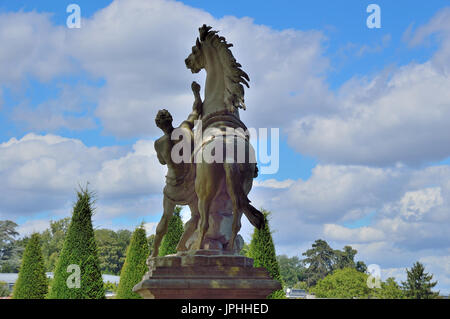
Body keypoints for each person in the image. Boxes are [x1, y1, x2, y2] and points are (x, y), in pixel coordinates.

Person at [152, 81, 202, 257]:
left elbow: (161, 162)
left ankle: (154, 251)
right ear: (171, 120)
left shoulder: (158, 144)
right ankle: (181, 244)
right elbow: (196, 111)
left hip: (172, 188)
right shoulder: (184, 129)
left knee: (165, 217)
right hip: (190, 187)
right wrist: (196, 93)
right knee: (197, 216)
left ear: (158, 125)